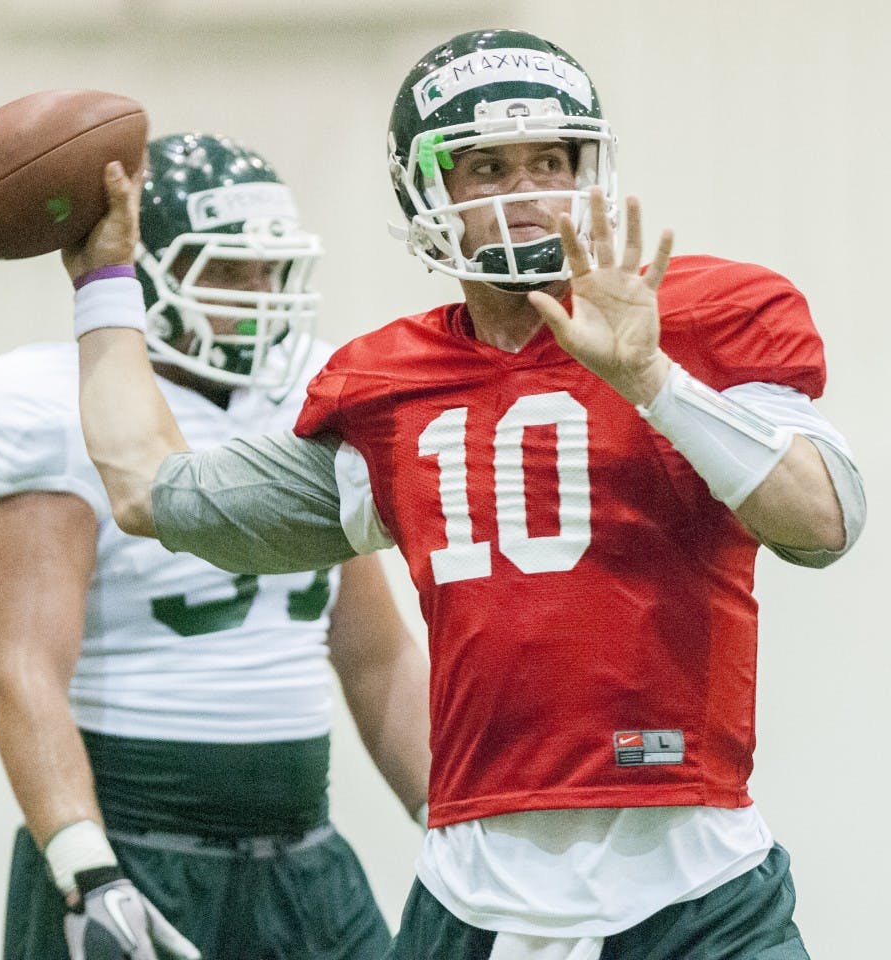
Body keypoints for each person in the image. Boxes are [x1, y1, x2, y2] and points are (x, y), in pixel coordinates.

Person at [63, 30, 866, 960]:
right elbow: (150, 492)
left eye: (551, 160)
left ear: (591, 172)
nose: (526, 193)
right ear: (423, 192)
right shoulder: (388, 389)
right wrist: (103, 285)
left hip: (698, 883)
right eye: (486, 166)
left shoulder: (710, 319)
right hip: (474, 896)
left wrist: (655, 381)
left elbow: (824, 524)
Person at [0, 132, 430, 960]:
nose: (260, 294)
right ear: (143, 272)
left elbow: (375, 655)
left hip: (302, 848)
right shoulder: (48, 402)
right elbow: (22, 671)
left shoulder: (317, 386)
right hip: (135, 843)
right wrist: (85, 867)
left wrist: (466, 825)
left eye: (269, 269)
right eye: (228, 272)